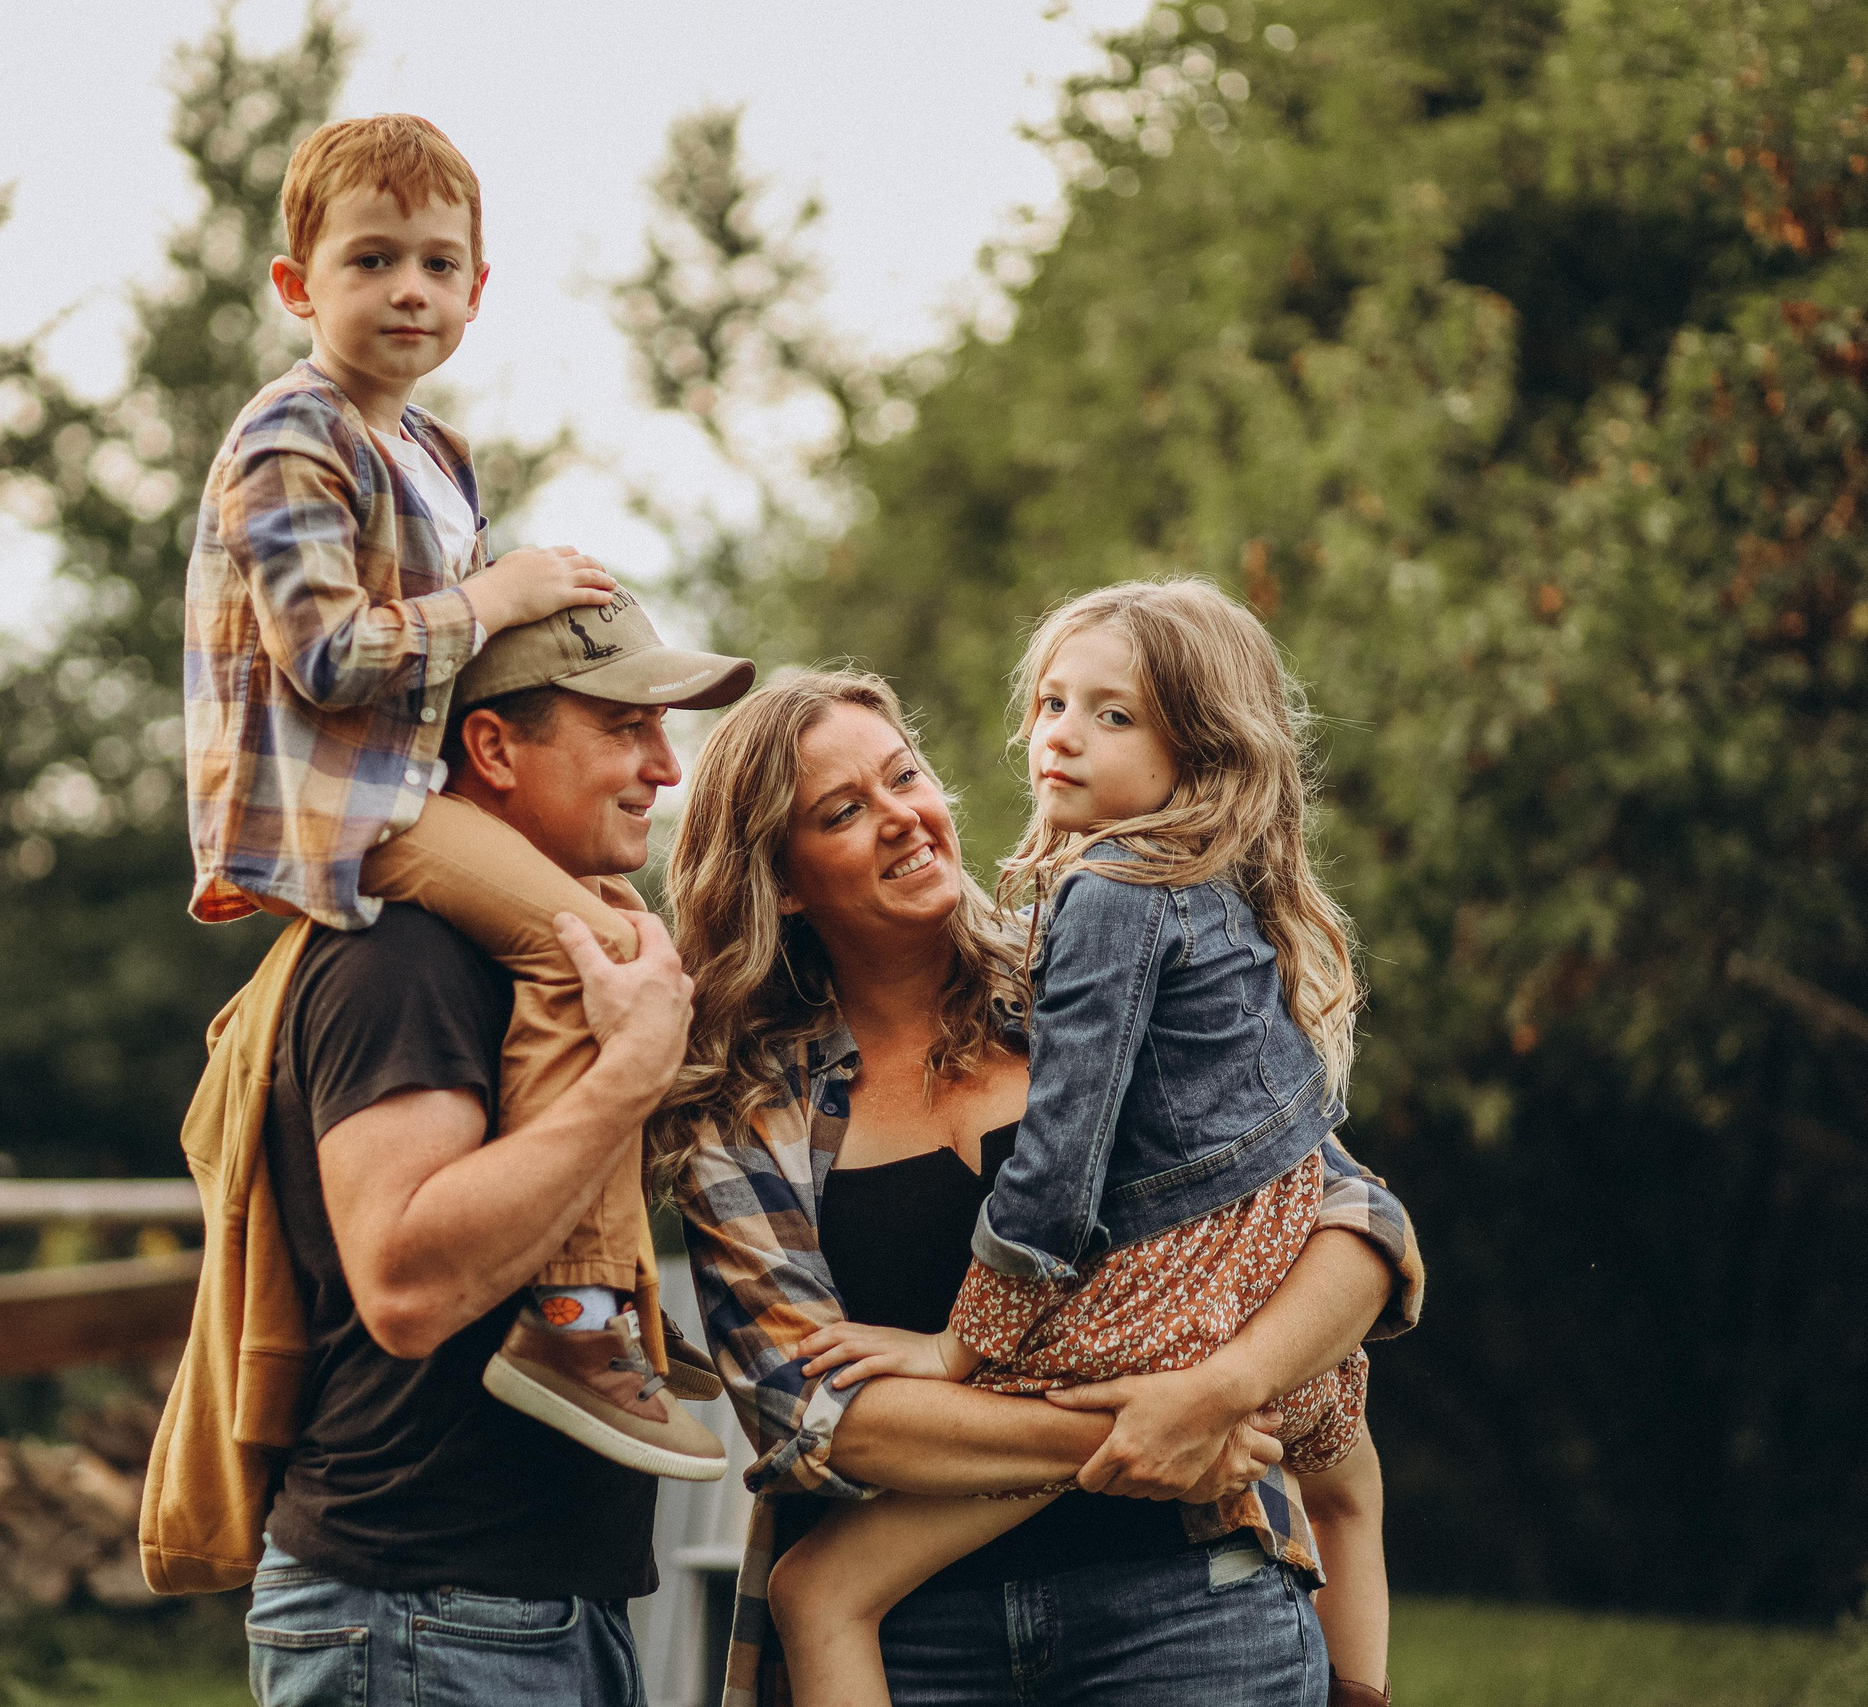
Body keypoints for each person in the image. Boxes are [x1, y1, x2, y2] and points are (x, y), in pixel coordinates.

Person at [658, 666, 1423, 1707]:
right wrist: (1149, 1435)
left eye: (903, 777)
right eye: (843, 812)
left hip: (1189, 1597)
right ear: (781, 880)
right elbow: (818, 1415)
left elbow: (1353, 1221)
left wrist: (1219, 1392)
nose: (899, 818)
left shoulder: (1093, 971)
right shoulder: (747, 1108)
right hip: (912, 1639)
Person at [181, 111, 741, 1473]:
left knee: (621, 924)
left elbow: (474, 660)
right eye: (371, 261)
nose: (410, 291)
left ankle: (610, 1297)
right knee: (592, 948)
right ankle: (574, 1311)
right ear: (297, 284)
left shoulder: (433, 448)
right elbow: (326, 651)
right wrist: (496, 592)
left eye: (440, 265)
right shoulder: (289, 440)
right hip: (343, 807)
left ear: (478, 291)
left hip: (415, 789)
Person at [242, 605, 757, 1707]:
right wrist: (628, 1075)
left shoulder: (553, 954)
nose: (664, 768)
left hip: (516, 1609)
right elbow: (404, 1282)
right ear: (491, 749)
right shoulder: (405, 956)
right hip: (425, 1613)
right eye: (626, 728)